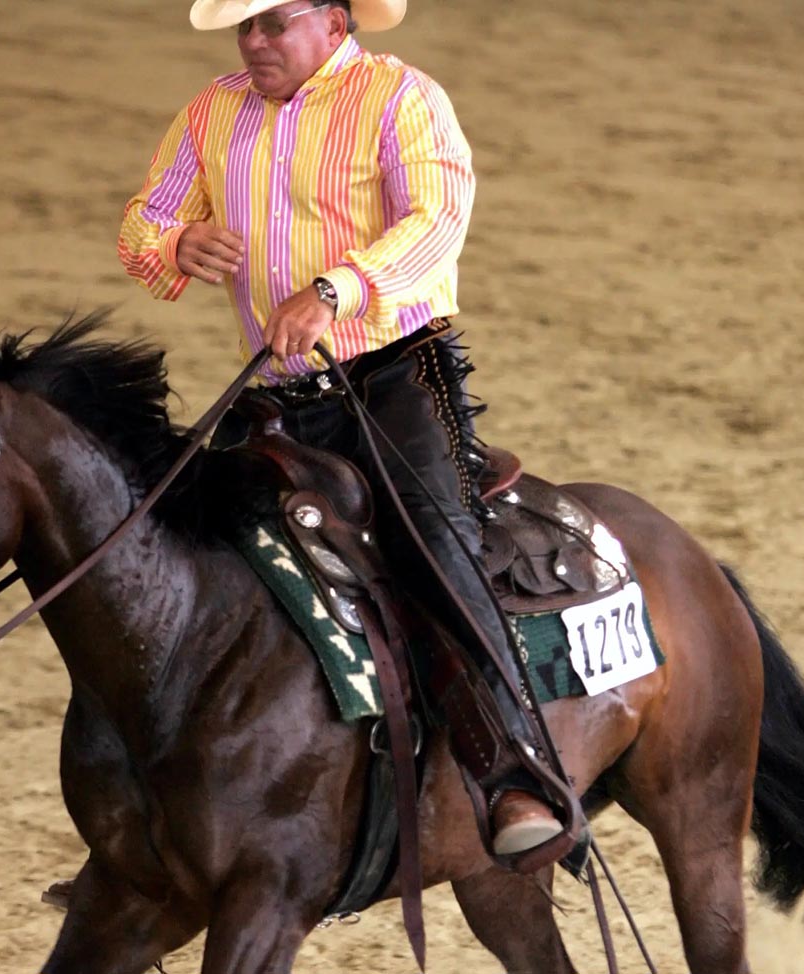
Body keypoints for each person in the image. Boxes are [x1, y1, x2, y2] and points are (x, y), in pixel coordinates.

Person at [118, 0, 560, 856]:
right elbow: (144, 220)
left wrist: (332, 292)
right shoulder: (212, 112)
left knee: (435, 540)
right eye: (244, 26)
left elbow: (435, 221)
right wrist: (174, 246)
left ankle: (514, 773)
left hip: (393, 375)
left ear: (333, 20)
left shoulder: (401, 98)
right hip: (282, 391)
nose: (254, 41)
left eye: (273, 22)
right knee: (187, 552)